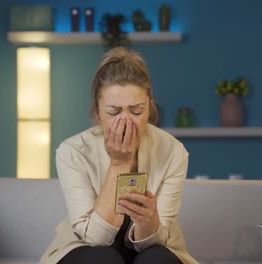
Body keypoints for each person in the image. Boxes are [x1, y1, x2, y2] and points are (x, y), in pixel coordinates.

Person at [40, 47, 197, 264]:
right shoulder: (73, 151)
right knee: (102, 258)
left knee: (157, 259)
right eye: (114, 112)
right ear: (97, 111)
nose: (126, 122)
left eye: (136, 111)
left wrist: (148, 222)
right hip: (87, 249)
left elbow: (157, 241)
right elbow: (95, 238)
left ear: (150, 107)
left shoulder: (173, 151)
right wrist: (119, 163)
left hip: (152, 250)